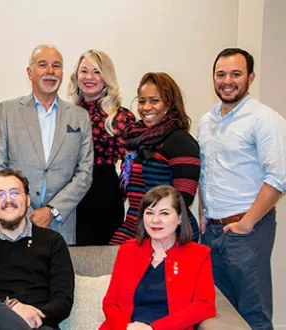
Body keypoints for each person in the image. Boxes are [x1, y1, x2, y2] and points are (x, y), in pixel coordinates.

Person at [198, 48, 286, 330]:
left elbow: (279, 177)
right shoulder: (206, 121)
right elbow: (205, 173)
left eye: (236, 74)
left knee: (253, 313)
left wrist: (247, 223)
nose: (227, 80)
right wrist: (202, 216)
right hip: (211, 231)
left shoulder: (264, 118)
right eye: (220, 74)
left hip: (247, 231)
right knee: (220, 313)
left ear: (250, 77)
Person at [0, 44, 93, 245]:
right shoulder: (6, 112)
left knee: (55, 276)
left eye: (56, 66)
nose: (50, 71)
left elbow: (84, 173)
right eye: (42, 65)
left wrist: (52, 211)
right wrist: (23, 210)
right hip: (12, 220)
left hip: (61, 223)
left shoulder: (80, 117)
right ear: (30, 72)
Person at [0, 169, 74, 330]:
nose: (8, 200)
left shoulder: (53, 241)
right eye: (0, 195)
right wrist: (12, 307)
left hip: (39, 325)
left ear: (27, 200)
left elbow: (63, 302)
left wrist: (33, 317)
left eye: (14, 193)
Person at [100, 185, 216, 330]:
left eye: (164, 213)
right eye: (149, 213)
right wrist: (127, 327)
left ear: (180, 218)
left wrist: (155, 328)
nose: (155, 220)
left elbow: (205, 305)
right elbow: (110, 303)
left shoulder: (198, 255)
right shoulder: (127, 250)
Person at [110, 72, 200, 245]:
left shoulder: (181, 142)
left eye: (154, 100)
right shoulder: (136, 139)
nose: (146, 107)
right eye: (142, 101)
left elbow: (182, 200)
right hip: (135, 227)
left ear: (169, 104)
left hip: (169, 233)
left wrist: (154, 235)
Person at [67, 49, 135, 245]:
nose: (89, 77)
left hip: (103, 194)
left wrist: (120, 192)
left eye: (97, 72)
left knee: (102, 263)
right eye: (84, 71)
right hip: (69, 195)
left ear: (106, 77)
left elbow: (130, 164)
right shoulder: (66, 113)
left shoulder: (120, 116)